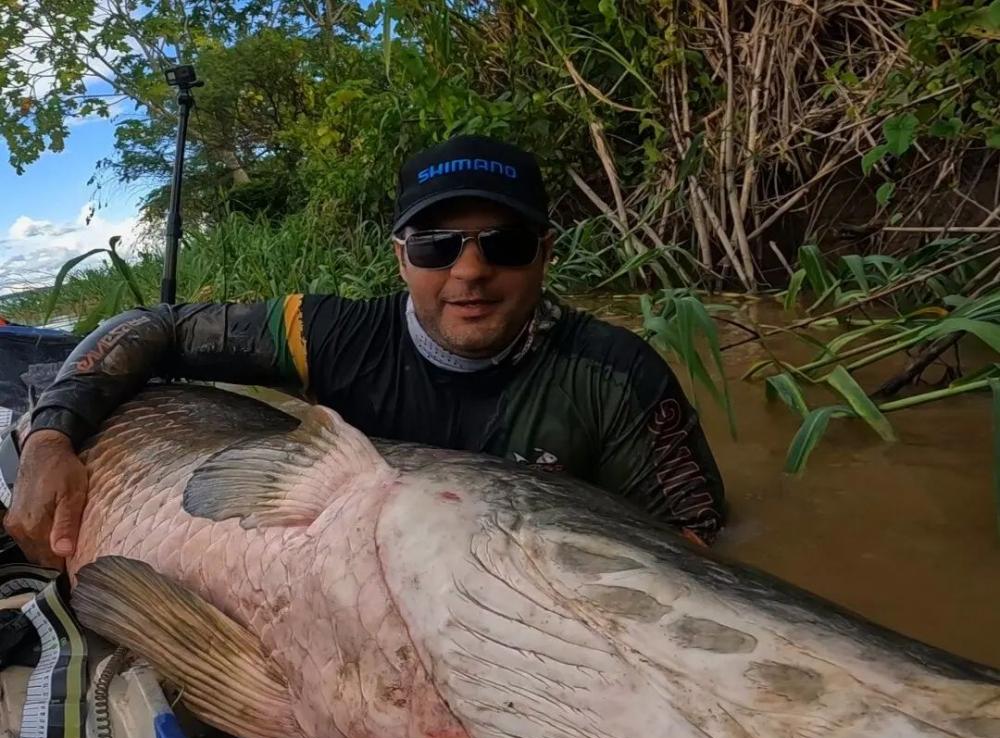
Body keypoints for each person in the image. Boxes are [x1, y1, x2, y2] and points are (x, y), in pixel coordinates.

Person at [5, 135, 725, 569]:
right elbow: (156, 325)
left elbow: (694, 553)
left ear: (545, 253)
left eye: (503, 245)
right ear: (401, 258)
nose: (470, 272)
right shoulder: (331, 334)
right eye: (437, 247)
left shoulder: (619, 376)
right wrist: (49, 438)